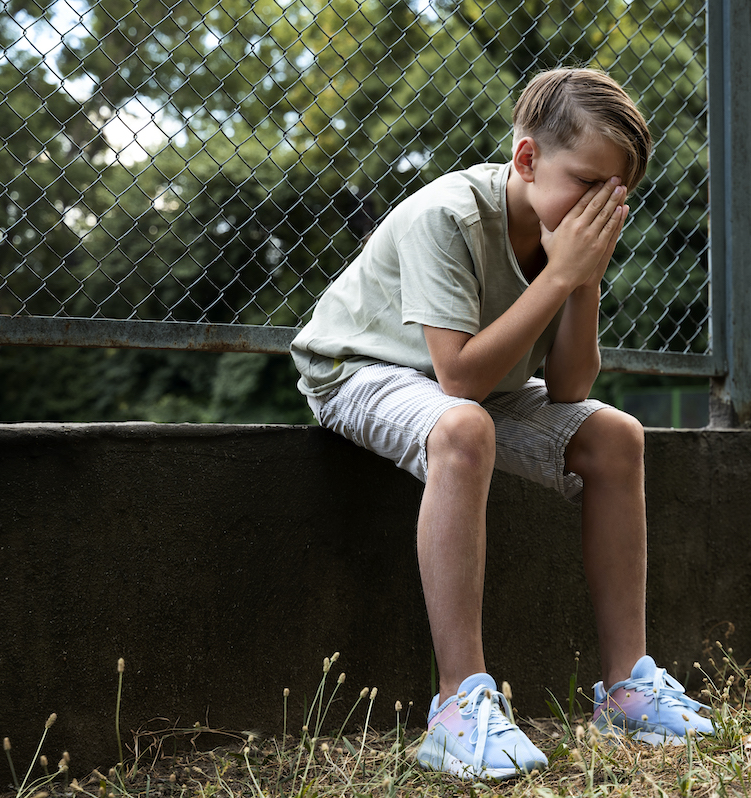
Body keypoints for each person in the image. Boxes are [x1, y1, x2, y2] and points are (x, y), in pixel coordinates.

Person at [291, 67, 713, 781]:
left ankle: (626, 688)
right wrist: (557, 277)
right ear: (527, 159)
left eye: (616, 195)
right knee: (463, 428)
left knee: (615, 436)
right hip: (358, 371)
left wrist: (581, 278)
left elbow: (572, 385)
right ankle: (459, 708)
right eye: (586, 182)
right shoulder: (448, 215)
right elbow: (458, 378)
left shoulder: (558, 233)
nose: (598, 207)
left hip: (463, 388)